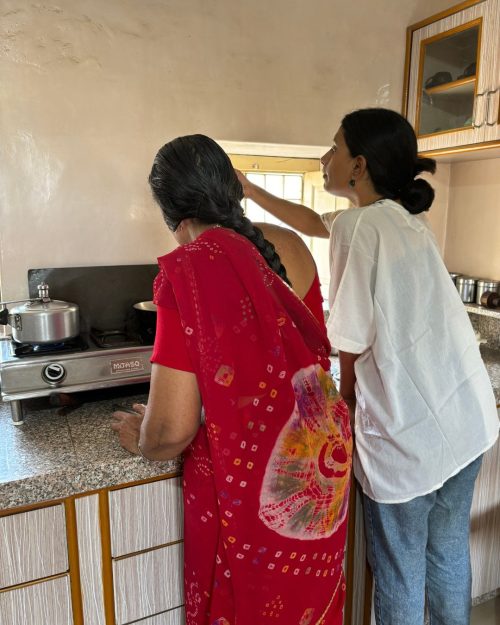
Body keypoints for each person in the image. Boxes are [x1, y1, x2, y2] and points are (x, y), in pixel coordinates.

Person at [237, 108, 499, 625]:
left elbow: (350, 339)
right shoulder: (402, 218)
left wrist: (348, 399)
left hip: (412, 439)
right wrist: (250, 190)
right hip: (468, 421)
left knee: (400, 570)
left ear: (358, 165)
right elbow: (314, 221)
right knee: (446, 555)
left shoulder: (360, 226)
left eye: (333, 147)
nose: (324, 157)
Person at [111, 134, 352, 625]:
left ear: (171, 215)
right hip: (318, 472)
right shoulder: (291, 247)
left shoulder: (188, 271)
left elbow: (172, 431)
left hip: (259, 491)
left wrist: (145, 441)